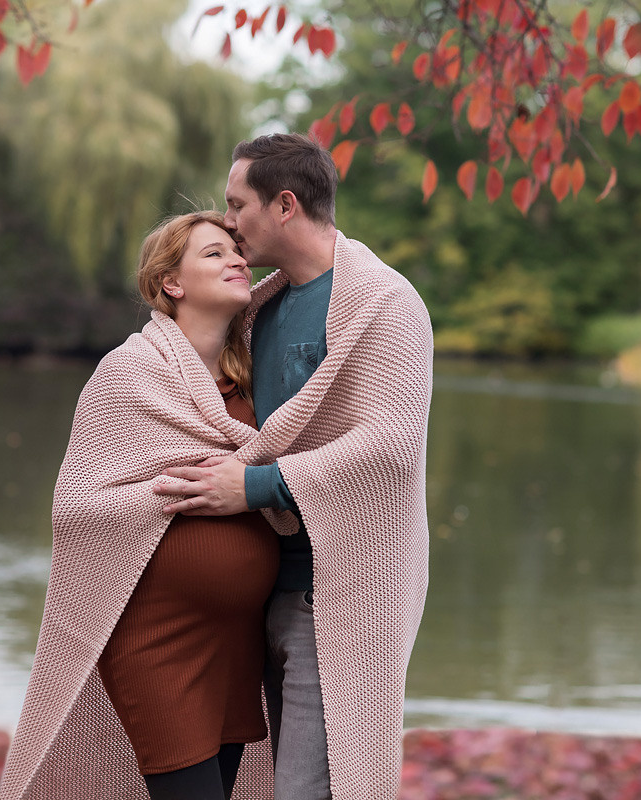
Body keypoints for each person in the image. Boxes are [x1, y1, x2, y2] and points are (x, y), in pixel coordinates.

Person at [153, 133, 434, 800]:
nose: (227, 220)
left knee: (309, 790)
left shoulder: (386, 305)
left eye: (236, 204)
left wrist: (251, 486)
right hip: (260, 591)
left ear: (284, 206)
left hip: (338, 590)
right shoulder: (260, 310)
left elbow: (389, 446)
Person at [0, 211, 283, 800]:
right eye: (213, 254)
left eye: (236, 251)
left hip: (237, 642)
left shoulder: (253, 382)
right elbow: (76, 507)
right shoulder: (128, 374)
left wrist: (246, 487)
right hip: (157, 640)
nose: (237, 261)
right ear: (170, 283)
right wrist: (183, 490)